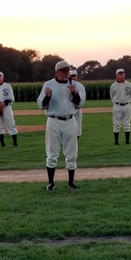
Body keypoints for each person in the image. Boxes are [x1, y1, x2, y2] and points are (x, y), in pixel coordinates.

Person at [36, 60, 85, 191]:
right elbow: (41, 105)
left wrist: (74, 93)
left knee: (71, 153)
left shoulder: (76, 85)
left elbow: (80, 104)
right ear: (57, 72)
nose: (67, 73)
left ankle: (71, 182)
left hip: (70, 120)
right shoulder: (49, 84)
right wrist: (47, 97)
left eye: (68, 70)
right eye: (64, 71)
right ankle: (51, 183)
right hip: (54, 120)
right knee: (52, 152)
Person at [0, 71, 18, 147]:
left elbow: (11, 98)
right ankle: (2, 144)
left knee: (11, 124)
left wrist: (3, 103)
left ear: (3, 78)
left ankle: (15, 143)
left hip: (7, 107)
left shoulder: (8, 86)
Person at [110, 68, 131, 145]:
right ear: (116, 76)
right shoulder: (113, 86)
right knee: (116, 124)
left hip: (127, 105)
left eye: (123, 74)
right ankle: (116, 142)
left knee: (127, 124)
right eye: (120, 74)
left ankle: (127, 141)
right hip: (117, 105)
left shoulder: (129, 84)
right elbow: (112, 96)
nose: (122, 76)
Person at [69, 69, 85, 139]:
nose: (73, 78)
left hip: (77, 108)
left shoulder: (80, 86)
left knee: (78, 125)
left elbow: (82, 98)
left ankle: (77, 141)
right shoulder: (66, 85)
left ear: (77, 76)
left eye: (74, 76)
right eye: (72, 76)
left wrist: (78, 105)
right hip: (69, 109)